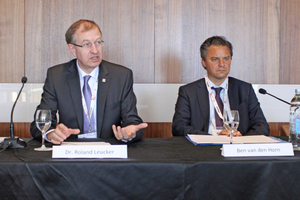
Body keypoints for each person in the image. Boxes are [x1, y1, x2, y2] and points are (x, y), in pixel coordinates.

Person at [30, 19, 148, 144]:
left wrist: (128, 133)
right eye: (87, 44)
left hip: (109, 152)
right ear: (72, 49)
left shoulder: (121, 76)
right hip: (71, 151)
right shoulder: (57, 76)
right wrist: (51, 134)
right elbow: (39, 125)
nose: (95, 50)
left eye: (98, 42)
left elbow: (132, 122)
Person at [172, 36, 270, 137]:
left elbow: (262, 126)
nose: (222, 64)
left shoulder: (245, 89)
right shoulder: (189, 92)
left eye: (226, 59)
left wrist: (240, 141)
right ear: (204, 62)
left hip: (236, 148)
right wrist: (214, 138)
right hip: (203, 149)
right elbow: (179, 128)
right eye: (215, 59)